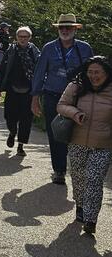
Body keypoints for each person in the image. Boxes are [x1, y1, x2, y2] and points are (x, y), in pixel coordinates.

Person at [31, 14, 93, 184]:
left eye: (68, 27)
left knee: (77, 133)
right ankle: (59, 170)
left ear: (75, 29)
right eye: (61, 27)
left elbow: (93, 72)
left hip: (77, 98)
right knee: (55, 132)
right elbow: (39, 73)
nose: (64, 30)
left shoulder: (84, 48)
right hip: (53, 97)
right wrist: (35, 98)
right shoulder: (49, 48)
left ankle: (78, 170)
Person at [56, 56, 112, 236]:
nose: (94, 76)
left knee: (94, 180)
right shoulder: (76, 86)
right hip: (77, 141)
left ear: (106, 73)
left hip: (103, 144)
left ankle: (90, 219)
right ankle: (80, 205)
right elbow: (61, 106)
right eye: (90, 72)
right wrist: (75, 113)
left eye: (98, 73)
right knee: (79, 177)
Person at [0, 26, 39, 154]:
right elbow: (2, 70)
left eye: (25, 37)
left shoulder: (35, 52)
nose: (23, 39)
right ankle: (12, 132)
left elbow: (40, 71)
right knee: (9, 117)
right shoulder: (11, 51)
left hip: (29, 91)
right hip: (12, 90)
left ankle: (21, 146)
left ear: (30, 38)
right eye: (20, 36)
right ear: (16, 38)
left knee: (26, 120)